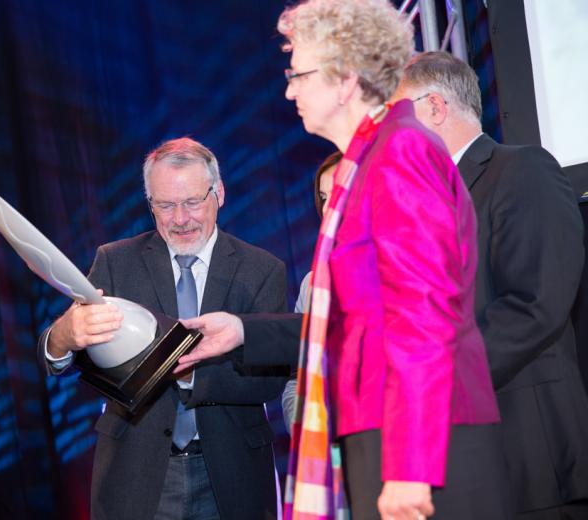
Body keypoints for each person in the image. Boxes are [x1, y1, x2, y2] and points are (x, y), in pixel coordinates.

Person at [179, 1, 512, 519]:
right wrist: (244, 331)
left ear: (346, 80)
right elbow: (354, 320)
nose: (288, 89)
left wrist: (409, 467)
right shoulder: (366, 166)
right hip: (388, 430)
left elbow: (423, 317)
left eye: (300, 74)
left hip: (421, 445)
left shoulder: (399, 152)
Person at [38, 137, 289, 520]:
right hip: (136, 471)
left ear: (218, 193)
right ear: (149, 203)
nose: (180, 218)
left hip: (231, 473)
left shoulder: (262, 269)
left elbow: (269, 378)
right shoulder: (115, 261)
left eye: (192, 202)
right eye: (165, 205)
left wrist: (184, 373)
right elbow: (69, 356)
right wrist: (62, 339)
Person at [391, 51, 588, 520]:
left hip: (529, 454)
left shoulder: (520, 171)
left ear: (435, 107)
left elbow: (535, 304)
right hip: (465, 467)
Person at [282, 150, 341, 433]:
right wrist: (307, 432)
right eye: (324, 198)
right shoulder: (313, 284)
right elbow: (296, 376)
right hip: (328, 448)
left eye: (340, 194)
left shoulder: (403, 267)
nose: (329, 208)